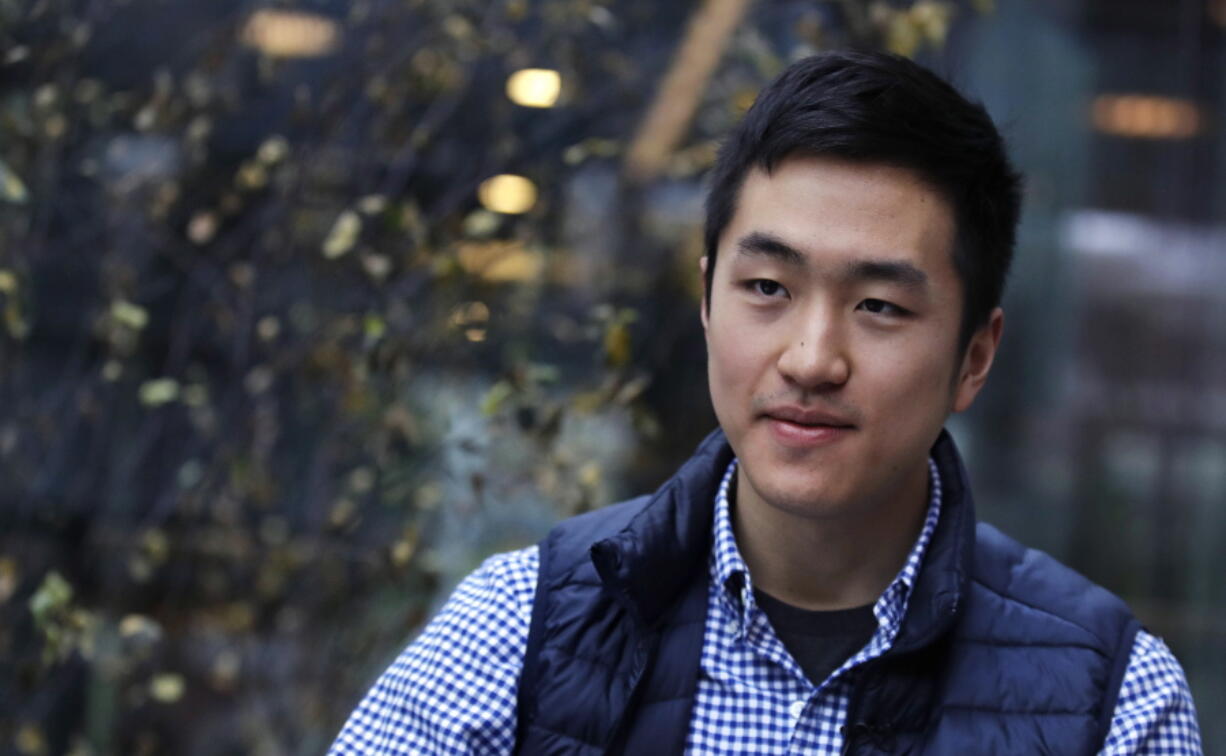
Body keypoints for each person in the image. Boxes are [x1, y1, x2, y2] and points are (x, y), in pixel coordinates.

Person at [329, 50, 1201, 755]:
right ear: (707, 302)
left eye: (880, 307)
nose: (812, 359)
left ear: (974, 357)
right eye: (768, 287)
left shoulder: (1110, 700)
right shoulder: (519, 633)